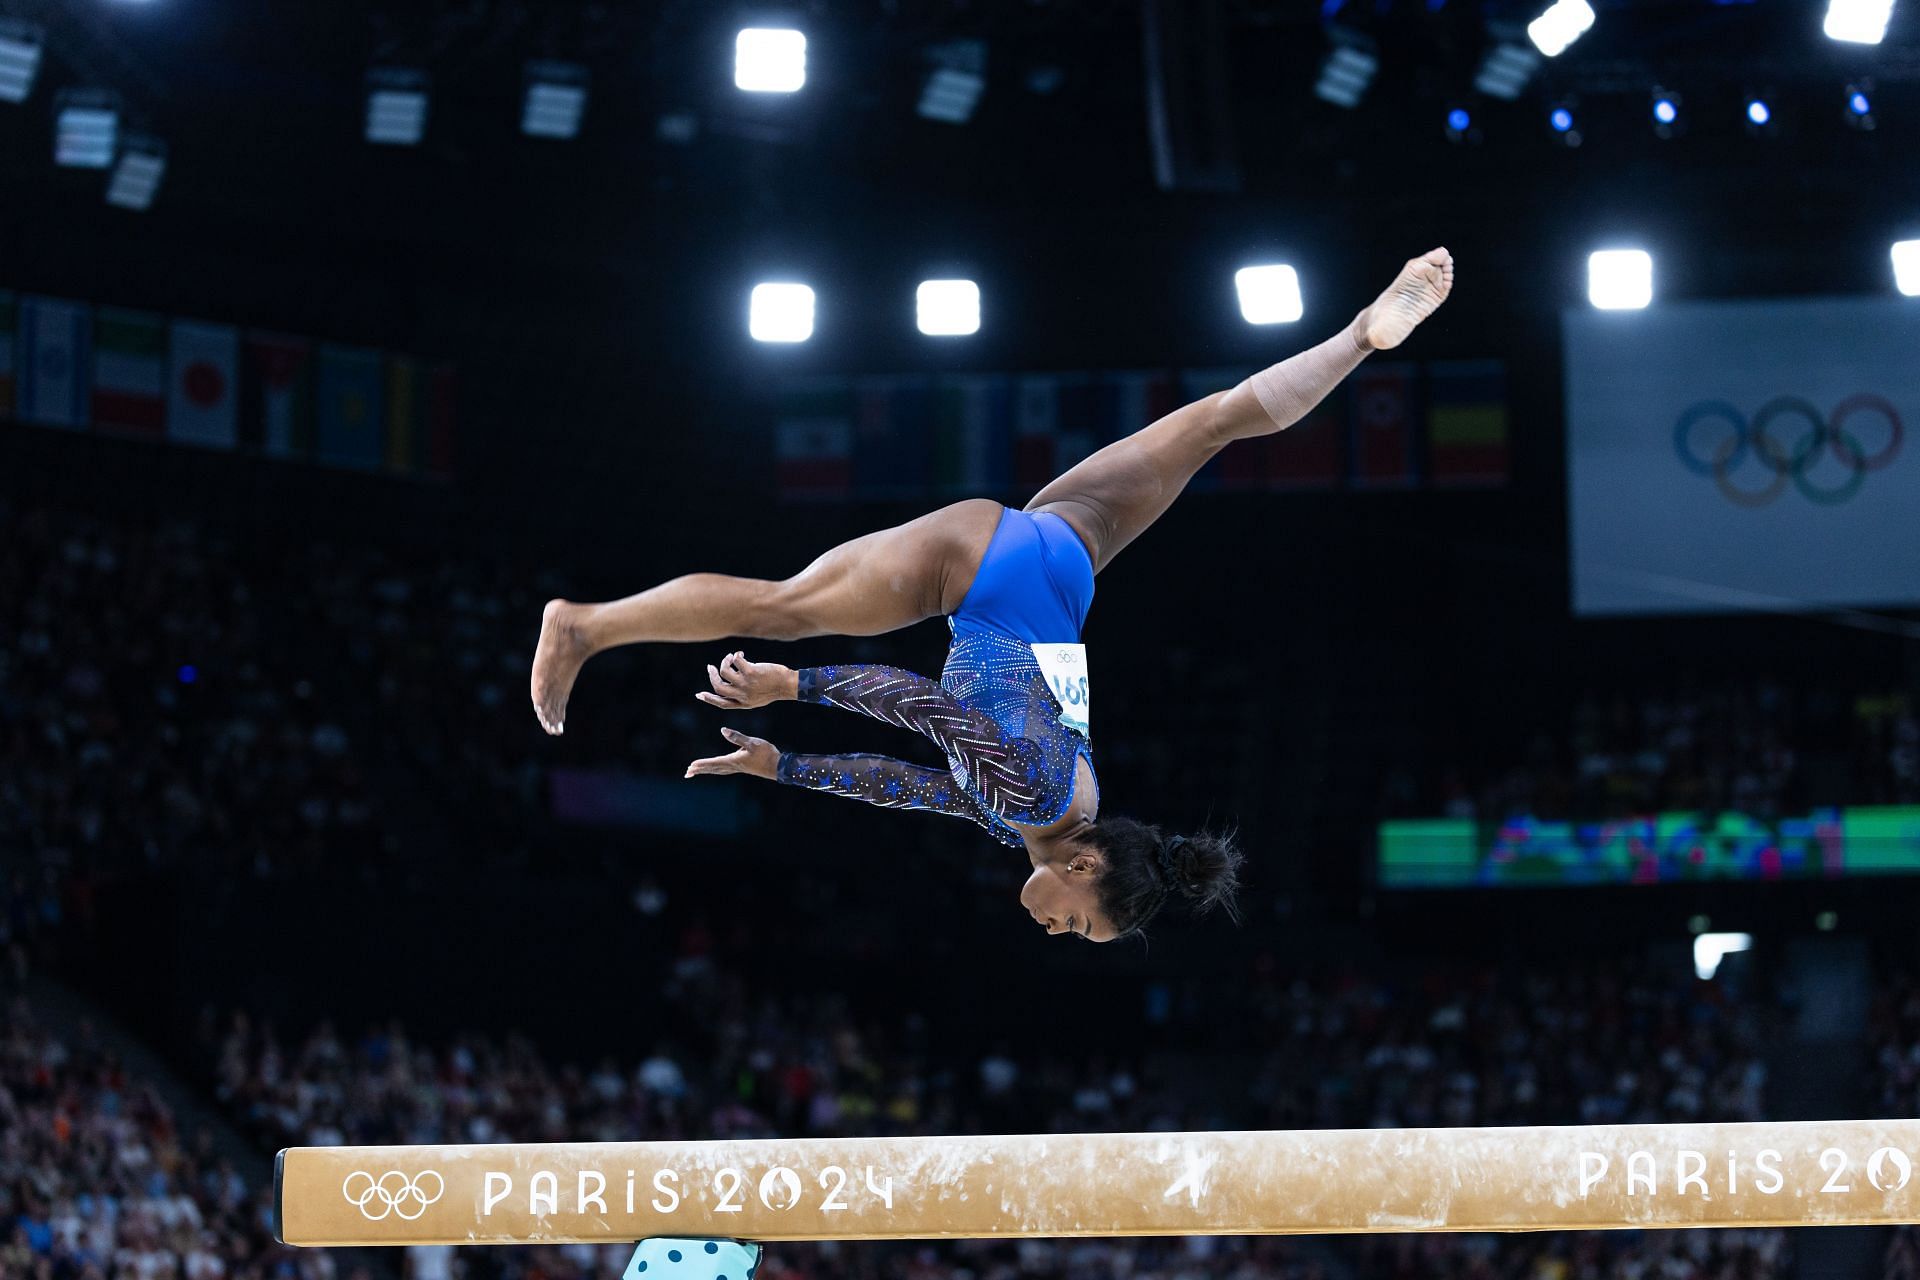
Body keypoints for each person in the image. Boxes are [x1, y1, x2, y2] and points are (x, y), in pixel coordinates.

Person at [531, 249, 1455, 941]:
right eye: (1083, 924)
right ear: (1086, 868)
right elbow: (925, 706)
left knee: (1211, 427)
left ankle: (1359, 335)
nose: (1059, 934)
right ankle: (586, 626)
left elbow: (913, 788)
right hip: (985, 576)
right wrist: (796, 691)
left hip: (1064, 561)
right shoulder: (1039, 795)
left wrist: (786, 770)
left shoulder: (1049, 808)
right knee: (783, 609)